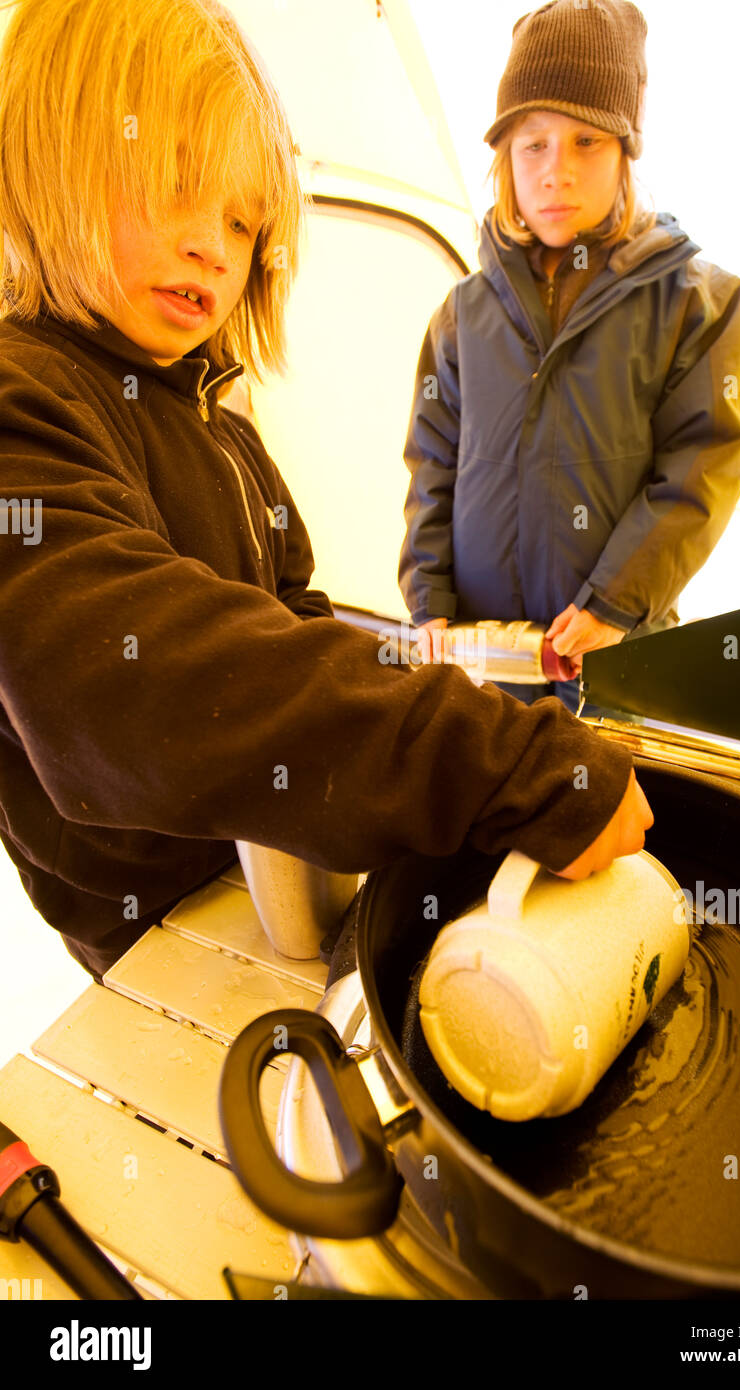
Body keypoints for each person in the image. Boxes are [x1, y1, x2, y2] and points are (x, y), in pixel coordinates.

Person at [0, 0, 651, 984]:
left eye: (241, 220)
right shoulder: (22, 403)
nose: (216, 249)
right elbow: (128, 689)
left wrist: (435, 679)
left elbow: (294, 613)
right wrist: (489, 758)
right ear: (49, 157)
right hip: (157, 929)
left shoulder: (215, 414)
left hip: (286, 847)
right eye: (181, 189)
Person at [400, 0, 740, 715]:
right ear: (504, 158)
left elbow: (701, 468)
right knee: (485, 825)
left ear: (626, 148)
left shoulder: (698, 304)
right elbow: (431, 464)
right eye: (532, 144)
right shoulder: (461, 315)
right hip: (482, 671)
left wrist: (612, 605)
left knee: (609, 822)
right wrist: (429, 603)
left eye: (585, 141)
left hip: (615, 663)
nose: (555, 172)